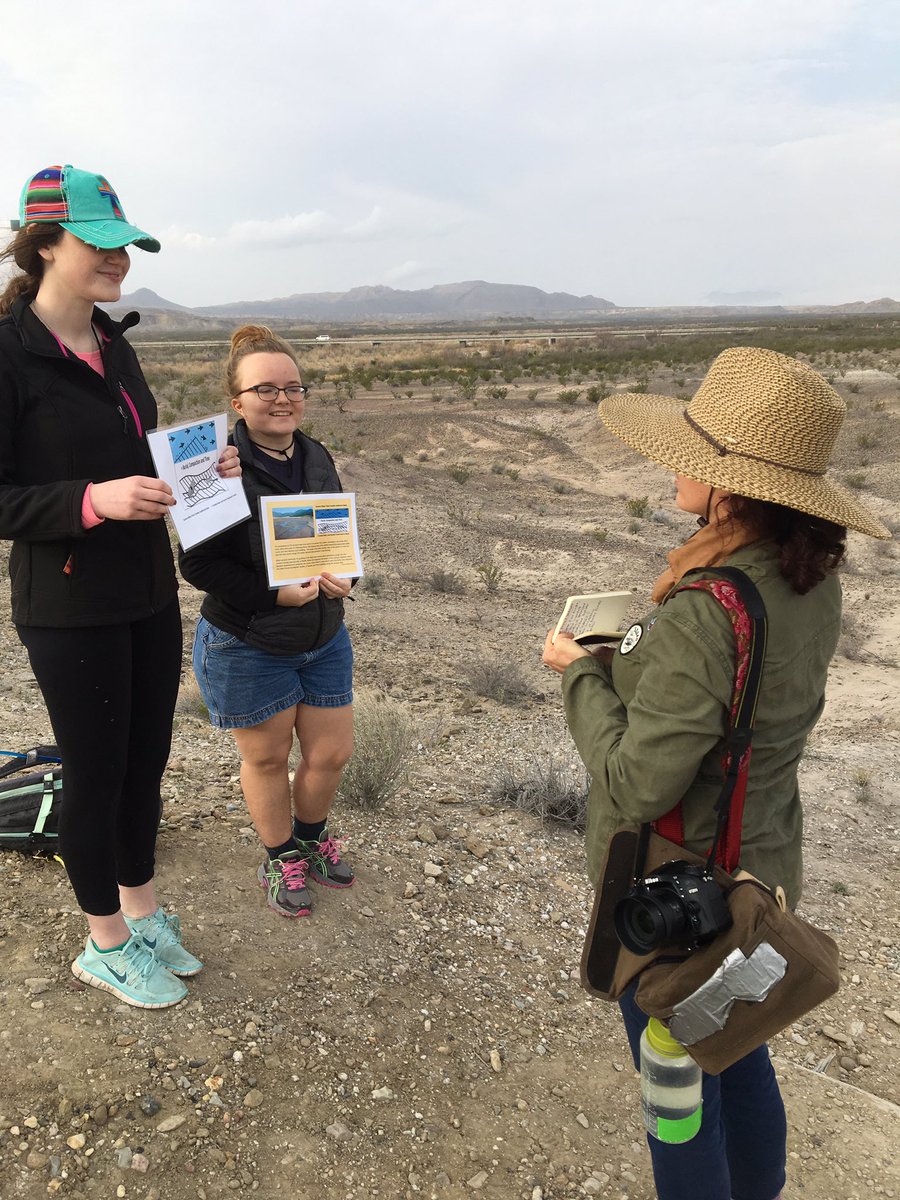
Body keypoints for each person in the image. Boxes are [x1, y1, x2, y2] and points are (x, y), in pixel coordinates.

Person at [542, 347, 889, 1200]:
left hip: (682, 892)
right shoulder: (806, 576)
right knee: (736, 1043)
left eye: (691, 456)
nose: (672, 466)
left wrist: (580, 675)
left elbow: (637, 785)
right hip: (761, 868)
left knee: (677, 1079)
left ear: (732, 488)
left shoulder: (705, 607)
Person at [0, 164, 240, 1009]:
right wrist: (90, 502)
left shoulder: (114, 341)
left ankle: (140, 910)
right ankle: (103, 940)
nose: (118, 259)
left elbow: (137, 453)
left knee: (146, 761)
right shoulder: (9, 354)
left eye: (125, 244)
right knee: (96, 771)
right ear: (44, 245)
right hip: (68, 604)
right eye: (99, 243)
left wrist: (202, 464)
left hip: (144, 589)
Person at [179, 325, 355, 920]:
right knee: (266, 758)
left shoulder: (315, 454)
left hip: (323, 635)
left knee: (330, 754)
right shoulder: (214, 466)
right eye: (265, 389)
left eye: (292, 387)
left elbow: (336, 534)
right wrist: (270, 597)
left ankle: (310, 839)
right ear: (237, 402)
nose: (282, 399)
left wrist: (346, 577)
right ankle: (280, 856)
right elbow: (197, 563)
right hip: (249, 640)